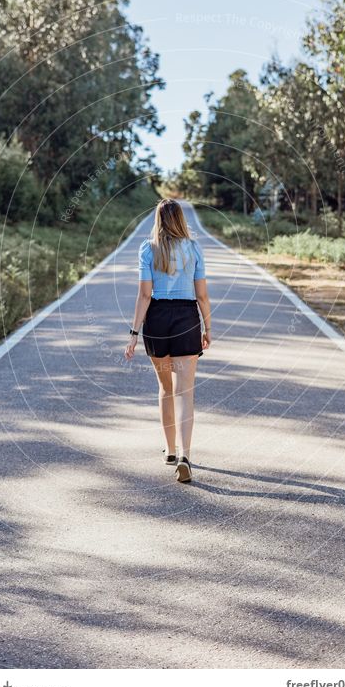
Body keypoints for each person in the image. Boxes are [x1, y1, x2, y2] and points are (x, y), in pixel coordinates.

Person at [124, 199, 211, 483]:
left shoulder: (147, 249)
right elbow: (202, 296)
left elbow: (144, 296)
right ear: (181, 219)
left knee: (165, 389)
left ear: (158, 220)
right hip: (186, 318)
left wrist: (134, 334)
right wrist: (207, 328)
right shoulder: (194, 248)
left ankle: (170, 451)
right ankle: (185, 455)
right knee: (185, 391)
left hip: (157, 320)